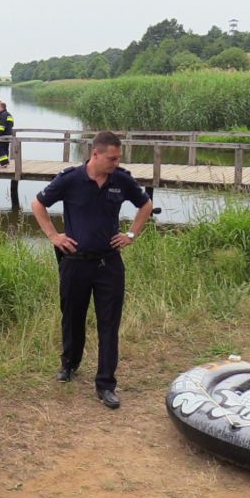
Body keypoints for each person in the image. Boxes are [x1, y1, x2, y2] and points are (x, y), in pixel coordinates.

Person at [31, 131, 153, 409]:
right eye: (112, 158)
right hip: (75, 262)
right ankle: (69, 364)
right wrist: (53, 236)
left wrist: (131, 235)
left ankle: (106, 384)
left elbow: (145, 204)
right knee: (72, 317)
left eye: (118, 158)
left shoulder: (121, 179)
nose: (116, 163)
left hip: (108, 263)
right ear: (95, 154)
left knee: (109, 323)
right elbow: (38, 204)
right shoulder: (71, 179)